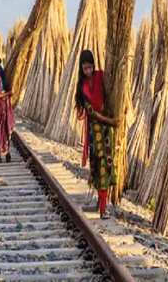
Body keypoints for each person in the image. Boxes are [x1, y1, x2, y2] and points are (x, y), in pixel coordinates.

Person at [75, 49, 118, 219]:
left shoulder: (102, 77)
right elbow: (91, 112)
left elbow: (111, 95)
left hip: (106, 132)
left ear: (93, 65)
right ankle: (102, 208)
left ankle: (103, 205)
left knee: (107, 167)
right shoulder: (83, 87)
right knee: (99, 169)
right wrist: (110, 121)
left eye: (89, 67)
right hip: (95, 132)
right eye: (84, 69)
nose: (88, 71)